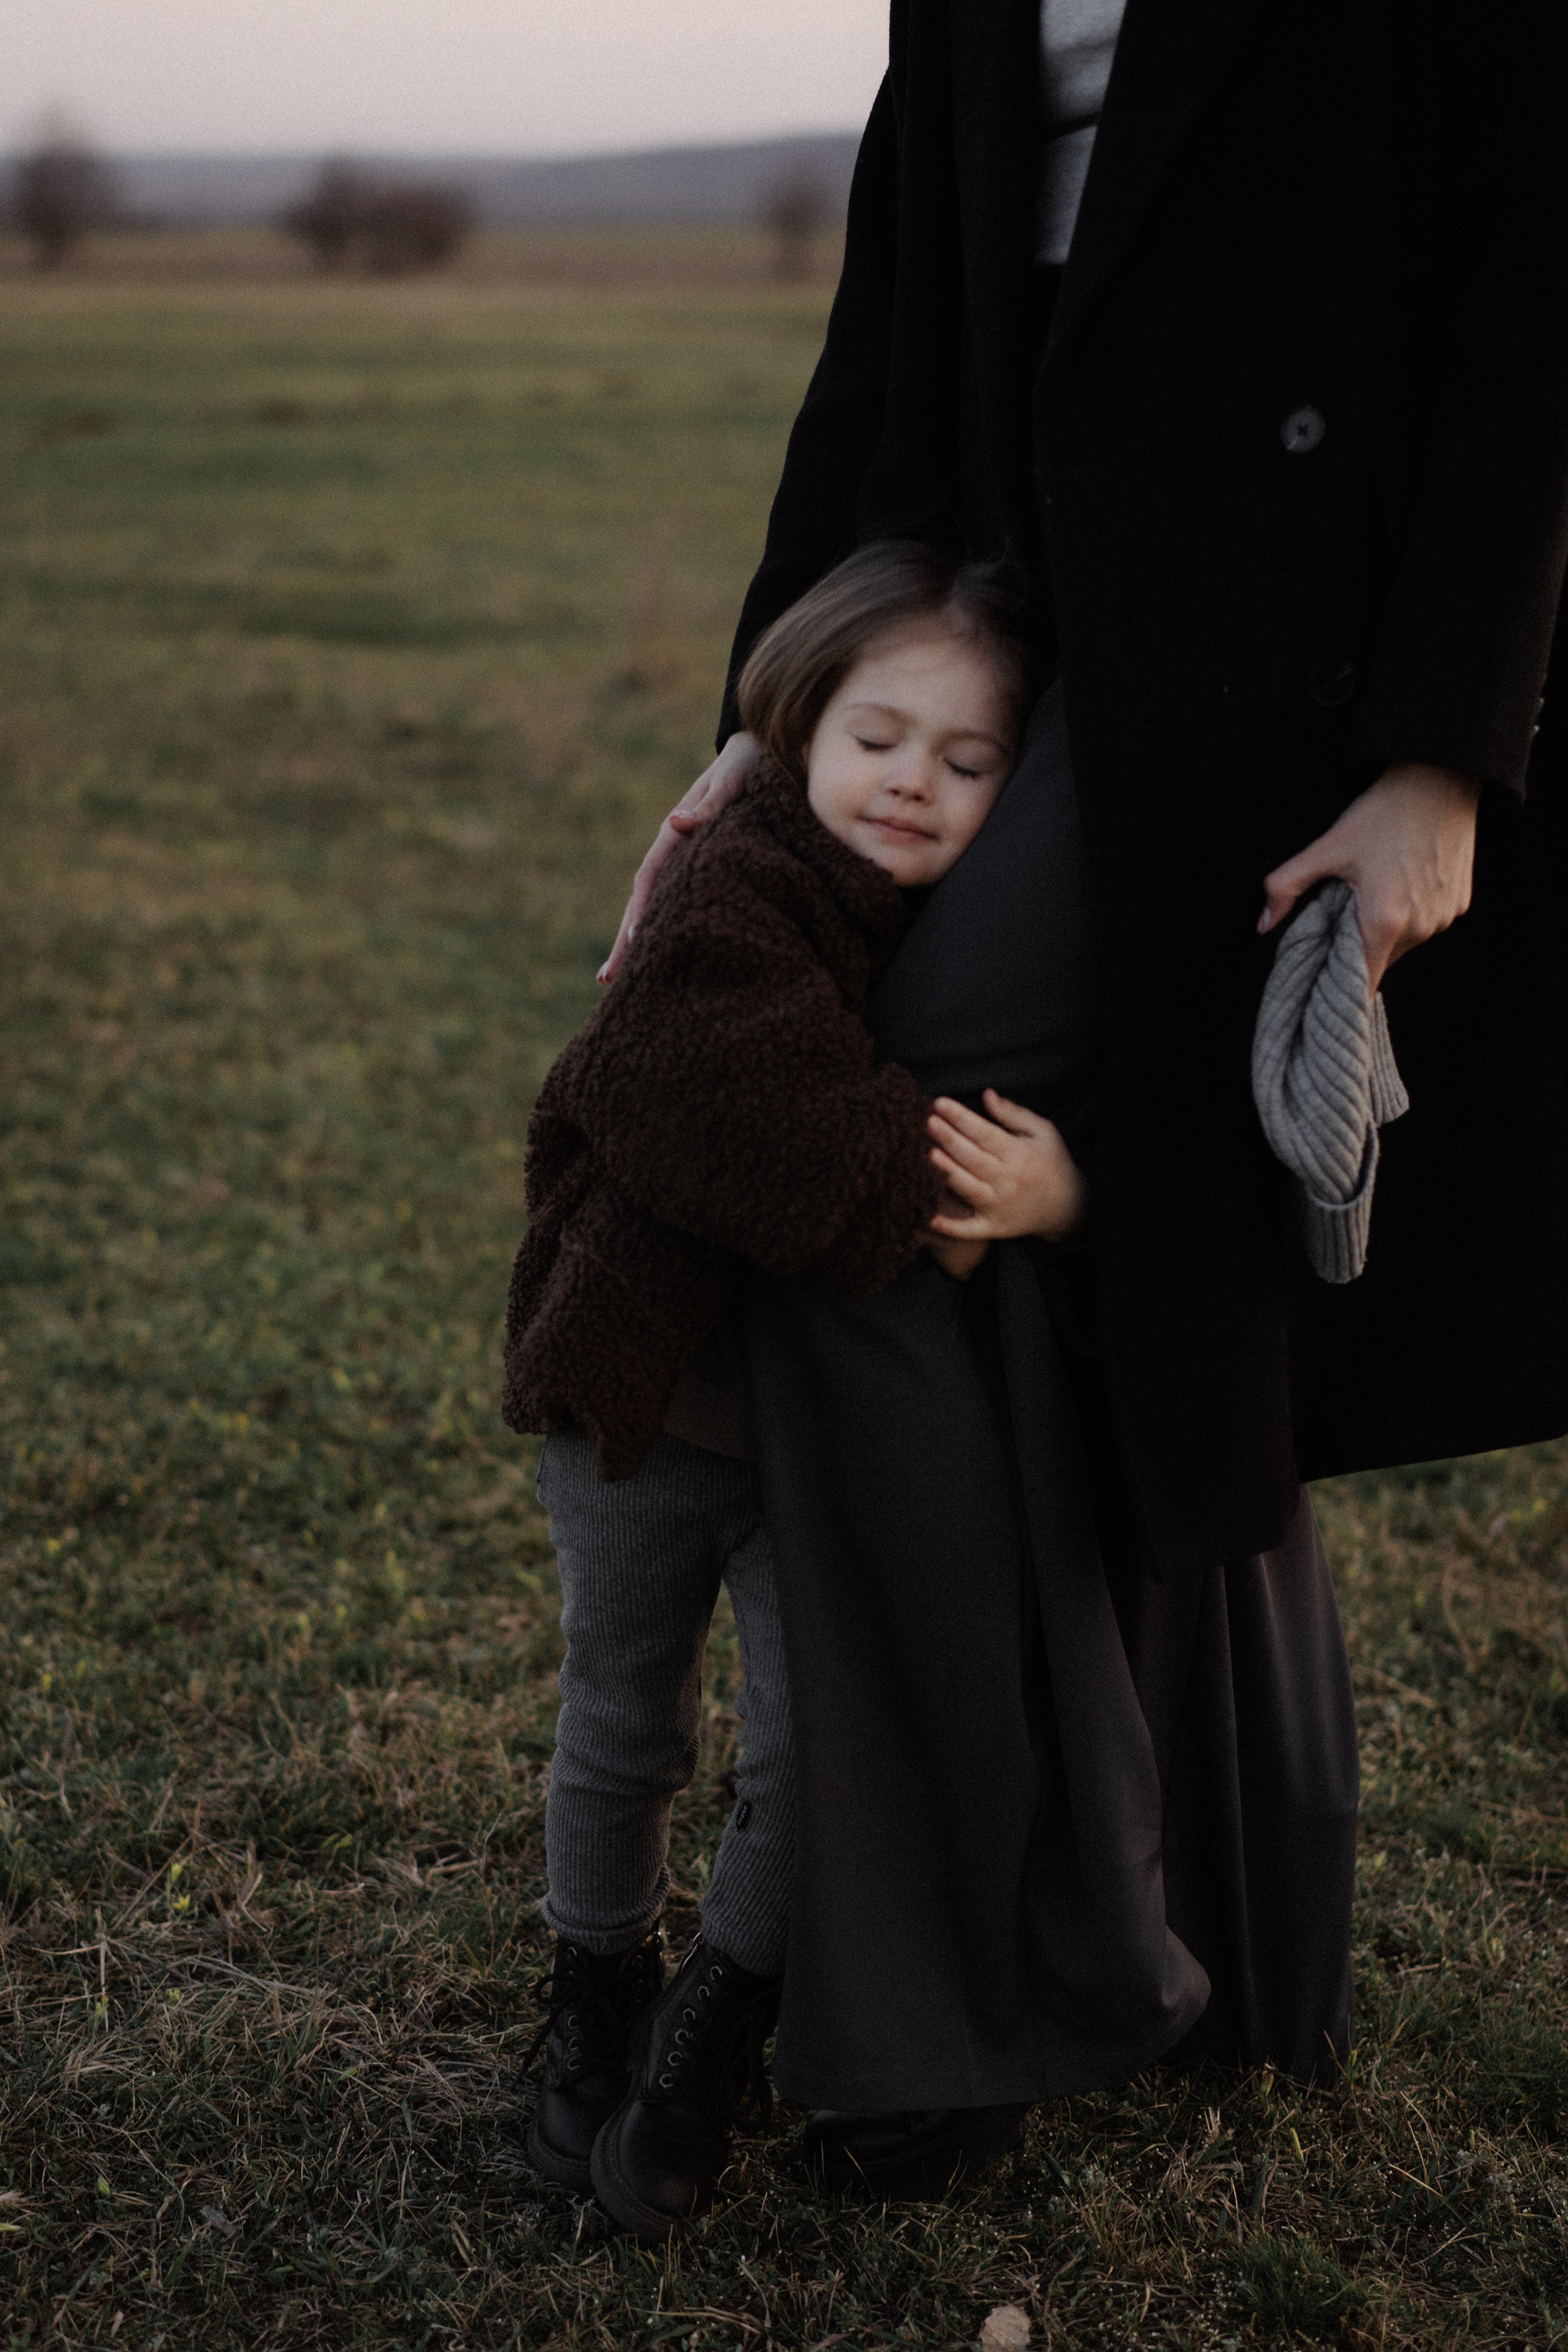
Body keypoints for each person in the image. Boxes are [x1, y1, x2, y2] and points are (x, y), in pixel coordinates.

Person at [601, 0, 1568, 2188]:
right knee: (969, 1202)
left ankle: (985, 1988)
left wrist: (1443, 746)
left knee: (892, 1161)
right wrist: (782, 700)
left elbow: (1536, 279)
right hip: (999, 587)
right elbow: (894, 295)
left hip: (1293, 633)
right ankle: (1189, 1911)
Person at [507, 541, 1084, 2238]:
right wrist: (938, 1205)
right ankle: (594, 1988)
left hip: (823, 1443)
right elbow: (702, 1095)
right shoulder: (737, 881)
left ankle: (712, 2031)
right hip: (645, 1399)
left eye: (968, 763)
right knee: (623, 1720)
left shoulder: (986, 939)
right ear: (786, 734)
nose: (912, 782)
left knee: (813, 1748)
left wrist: (1066, 1187)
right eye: (877, 737)